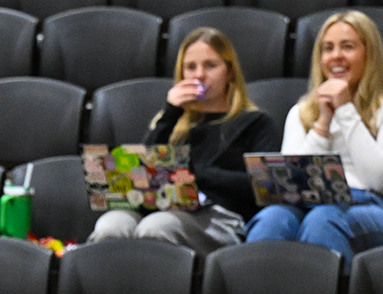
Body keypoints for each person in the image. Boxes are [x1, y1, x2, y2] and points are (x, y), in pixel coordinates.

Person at [244, 10, 383, 265]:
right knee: (272, 219)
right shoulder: (301, 113)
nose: (336, 56)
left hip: (375, 209)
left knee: (323, 219)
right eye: (328, 48)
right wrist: (323, 123)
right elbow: (291, 186)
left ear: (369, 55)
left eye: (347, 47)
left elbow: (379, 180)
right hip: (309, 207)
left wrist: (346, 110)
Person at [87, 28, 282, 254]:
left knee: (158, 228)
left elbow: (266, 188)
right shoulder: (171, 122)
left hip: (219, 216)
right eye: (190, 67)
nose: (199, 75)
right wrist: (170, 114)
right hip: (158, 208)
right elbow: (137, 174)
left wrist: (196, 176)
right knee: (110, 227)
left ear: (229, 72)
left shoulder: (255, 122)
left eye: (210, 65)